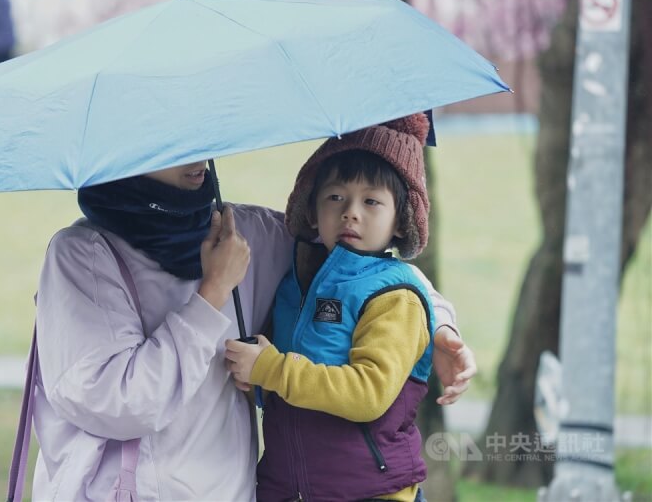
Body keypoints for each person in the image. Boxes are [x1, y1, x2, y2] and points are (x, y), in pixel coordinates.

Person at [31, 154, 475, 500]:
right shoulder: (80, 256)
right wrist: (212, 293)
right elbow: (118, 403)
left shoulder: (244, 234)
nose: (197, 153)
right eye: (176, 143)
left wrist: (439, 329)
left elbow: (363, 271)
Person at [225, 113, 445, 501]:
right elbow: (292, 388)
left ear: (400, 220)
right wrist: (259, 381)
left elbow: (368, 394)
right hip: (289, 487)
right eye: (335, 197)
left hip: (368, 490)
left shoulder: (394, 299)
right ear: (312, 210)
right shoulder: (296, 283)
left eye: (371, 201)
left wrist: (272, 369)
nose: (351, 212)